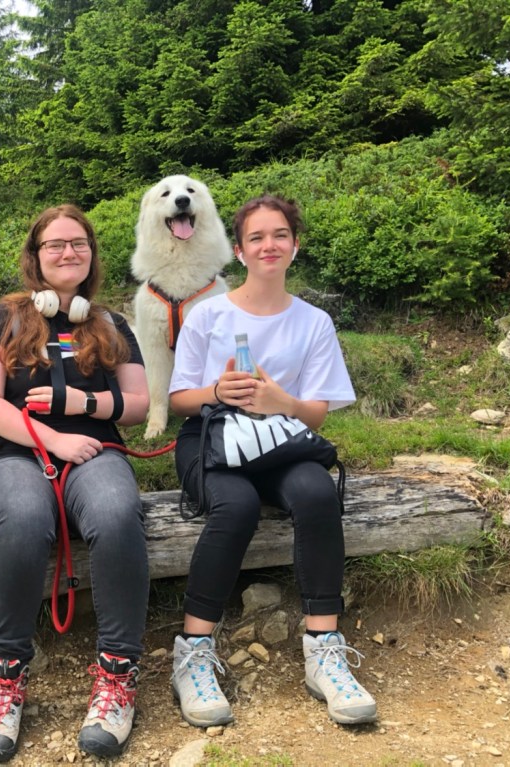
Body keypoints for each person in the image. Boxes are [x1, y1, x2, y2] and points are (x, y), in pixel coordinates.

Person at [166, 194, 378, 728]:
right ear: (238, 250)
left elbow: (316, 415)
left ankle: (324, 650)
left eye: (279, 234)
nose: (269, 245)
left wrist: (280, 400)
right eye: (256, 237)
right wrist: (218, 390)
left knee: (315, 492)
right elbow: (178, 401)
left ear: (295, 245)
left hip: (281, 439)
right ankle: (192, 651)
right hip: (212, 439)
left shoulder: (313, 322)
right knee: (234, 506)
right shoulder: (207, 315)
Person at [0, 204, 151, 762]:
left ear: (92, 254)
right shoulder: (5, 317)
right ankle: (5, 678)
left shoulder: (113, 323)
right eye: (55, 244)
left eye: (79, 243)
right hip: (15, 456)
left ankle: (118, 676)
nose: (68, 252)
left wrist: (82, 404)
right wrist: (52, 439)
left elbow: (140, 404)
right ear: (36, 256)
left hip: (98, 452)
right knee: (23, 520)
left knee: (119, 514)